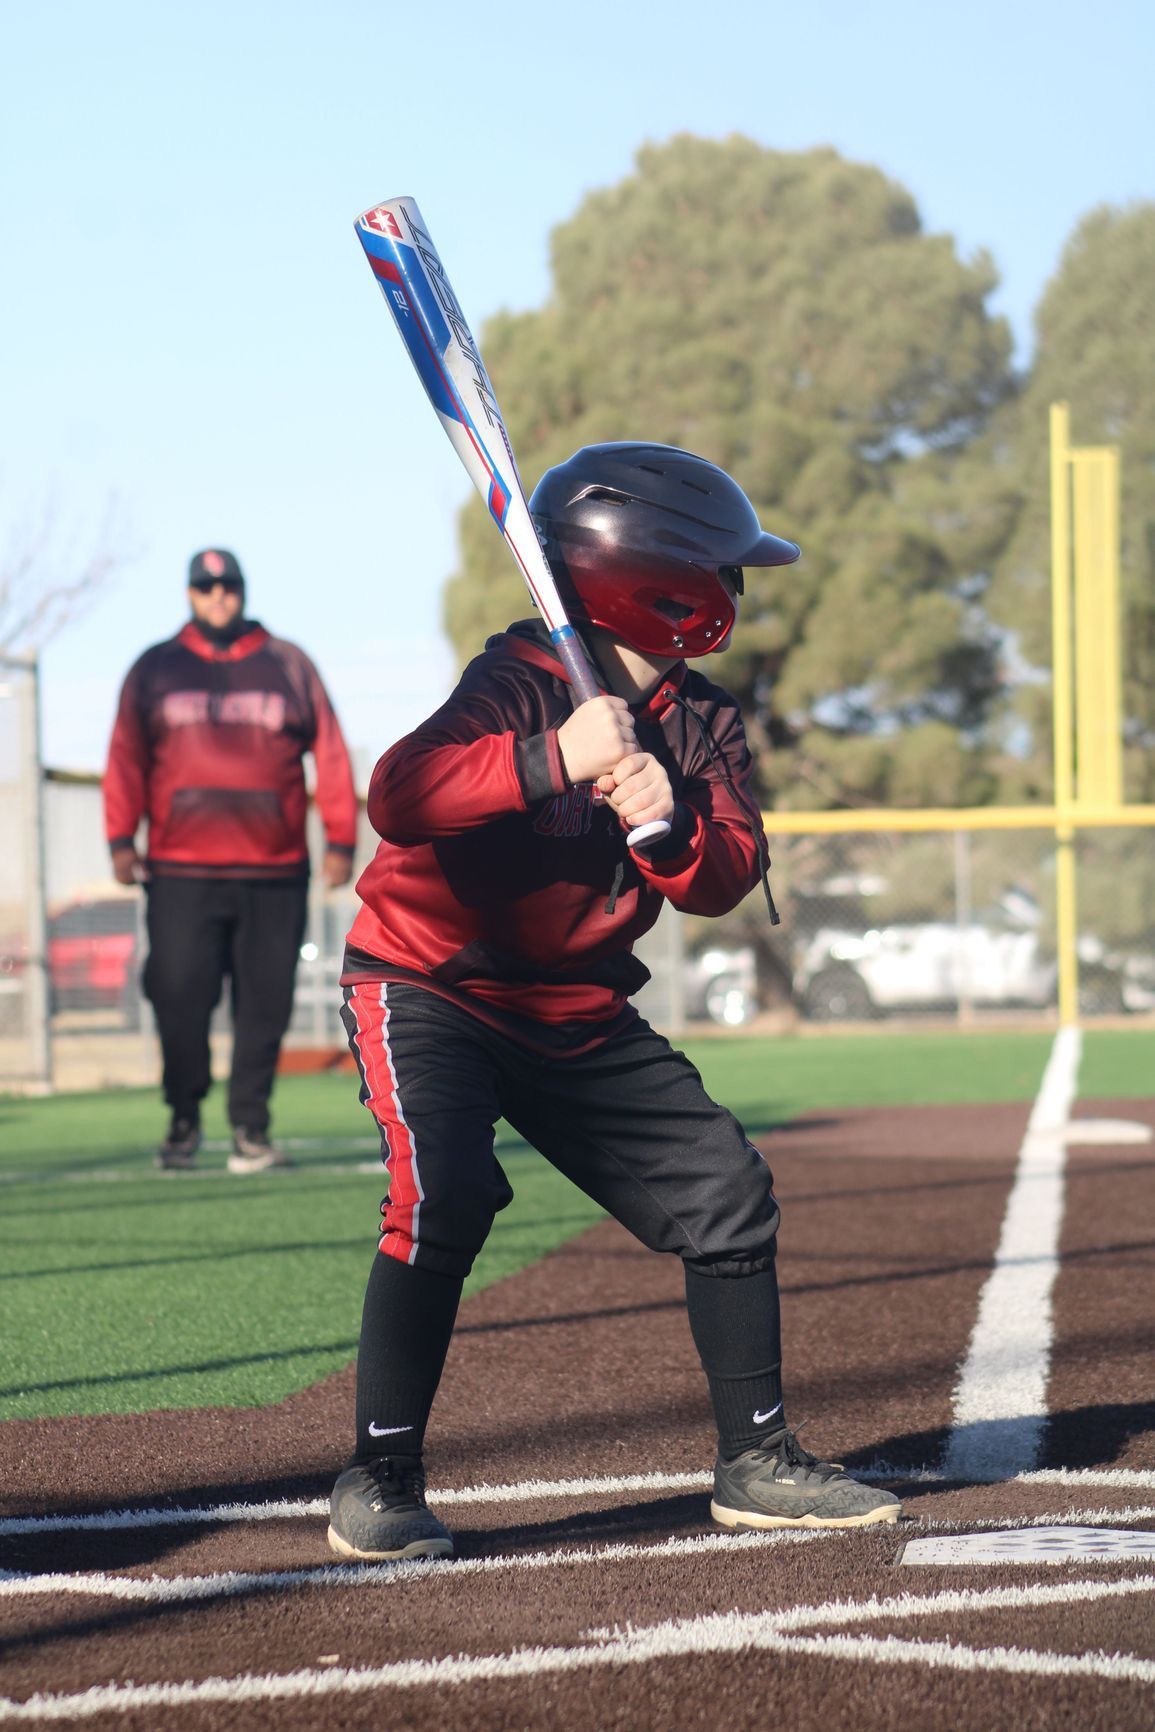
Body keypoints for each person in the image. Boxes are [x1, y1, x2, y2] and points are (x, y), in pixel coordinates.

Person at [327, 444, 901, 1560]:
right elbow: (397, 795)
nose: (736, 593)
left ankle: (757, 1459)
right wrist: (553, 755)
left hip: (573, 1006)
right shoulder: (518, 679)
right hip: (427, 983)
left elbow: (728, 876)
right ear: (662, 583)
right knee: (445, 1188)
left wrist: (668, 814)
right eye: (724, 572)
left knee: (725, 1190)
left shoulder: (701, 720)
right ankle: (380, 1474)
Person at [103, 548, 358, 1172]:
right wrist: (119, 839)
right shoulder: (155, 668)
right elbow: (125, 756)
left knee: (265, 1006)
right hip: (180, 870)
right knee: (178, 994)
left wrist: (341, 838)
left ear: (243, 590)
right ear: (189, 593)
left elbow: (329, 750)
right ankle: (184, 1119)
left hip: (274, 870)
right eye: (205, 586)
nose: (218, 595)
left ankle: (251, 1127)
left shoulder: (288, 663)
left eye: (228, 585)